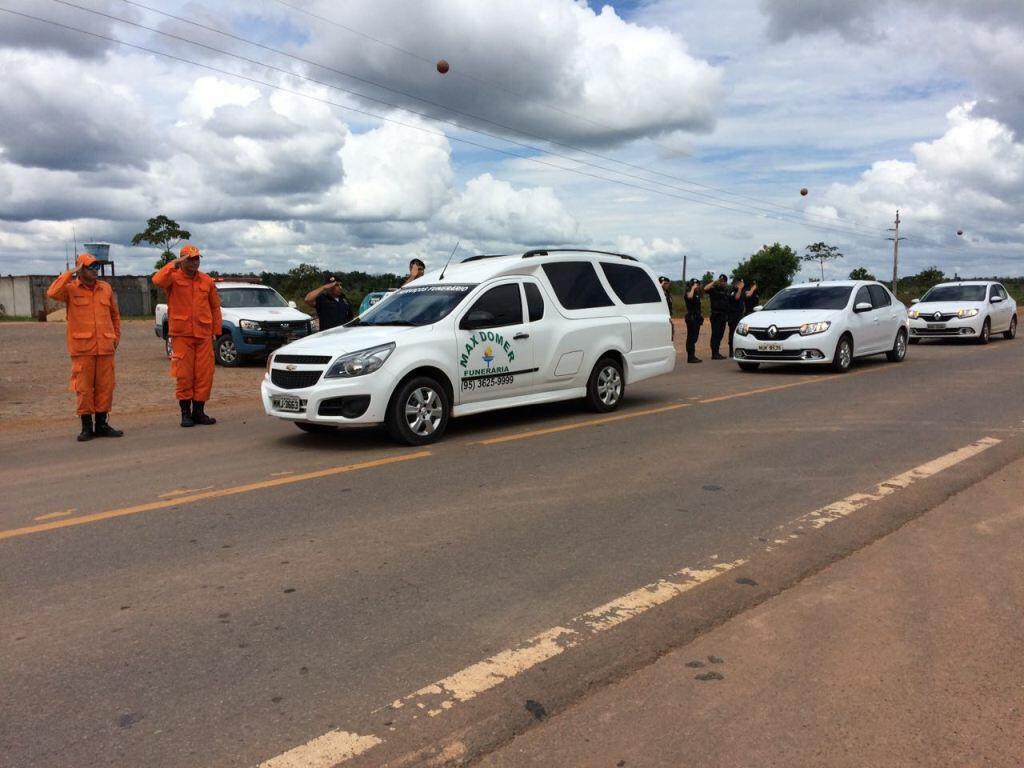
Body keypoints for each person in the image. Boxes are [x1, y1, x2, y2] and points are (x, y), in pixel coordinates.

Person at [46, 253, 123, 441]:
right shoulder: (70, 289)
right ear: (81, 269)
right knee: (84, 389)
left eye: (97, 267)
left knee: (105, 388)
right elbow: (52, 293)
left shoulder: (105, 288)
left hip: (105, 347)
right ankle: (87, 426)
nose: (95, 271)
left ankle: (102, 424)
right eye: (90, 267)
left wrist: (115, 338)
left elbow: (114, 315)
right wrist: (71, 273)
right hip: (82, 349)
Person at [152, 244, 222, 427]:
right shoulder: (173, 278)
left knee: (204, 375)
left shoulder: (206, 280)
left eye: (197, 258)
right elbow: (157, 280)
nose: (195, 262)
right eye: (191, 259)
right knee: (184, 375)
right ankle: (185, 413)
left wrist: (216, 331)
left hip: (204, 334)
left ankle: (199, 412)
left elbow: (215, 307)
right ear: (182, 260)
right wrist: (174, 263)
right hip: (181, 335)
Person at [703, 274, 730, 360]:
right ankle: (714, 353)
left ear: (726, 282)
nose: (722, 282)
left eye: (723, 281)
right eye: (720, 281)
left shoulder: (726, 290)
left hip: (723, 315)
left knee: (720, 335)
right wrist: (714, 282)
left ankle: (717, 352)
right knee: (715, 334)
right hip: (716, 315)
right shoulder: (713, 289)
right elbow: (705, 288)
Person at [726, 276, 747, 357]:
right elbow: (737, 297)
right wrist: (740, 289)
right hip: (733, 315)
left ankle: (741, 350)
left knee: (742, 333)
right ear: (736, 283)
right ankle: (731, 351)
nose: (741, 285)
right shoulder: (732, 291)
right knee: (733, 334)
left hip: (740, 315)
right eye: (740, 283)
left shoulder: (741, 291)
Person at [684, 278, 704, 363]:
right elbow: (689, 297)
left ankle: (692, 355)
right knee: (691, 338)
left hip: (696, 318)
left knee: (694, 338)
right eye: (695, 285)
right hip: (691, 318)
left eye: (697, 285)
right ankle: (690, 357)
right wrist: (692, 288)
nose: (697, 286)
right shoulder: (689, 293)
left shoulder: (697, 294)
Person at [658, 276, 674, 340]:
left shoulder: (668, 293)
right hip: (660, 316)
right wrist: (660, 286)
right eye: (664, 283)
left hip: (668, 316)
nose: (666, 285)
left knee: (670, 333)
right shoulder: (658, 292)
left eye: (667, 283)